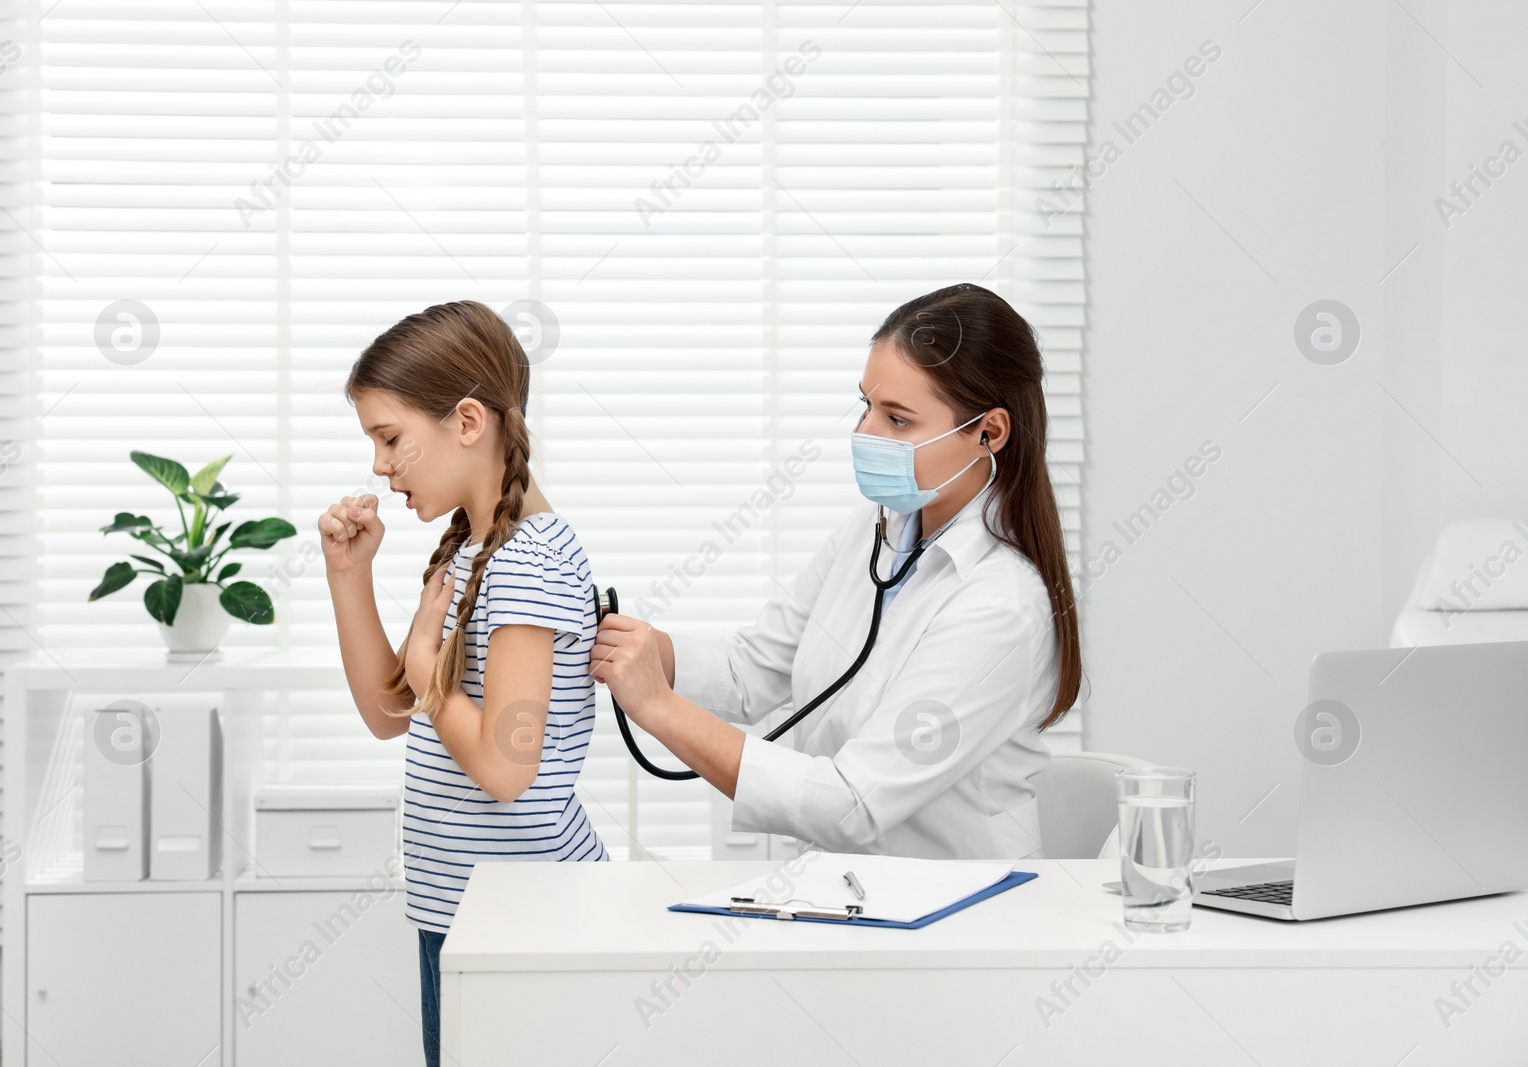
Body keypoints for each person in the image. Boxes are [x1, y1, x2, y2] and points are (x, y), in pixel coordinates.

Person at [592, 282, 1081, 860]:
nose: (865, 433)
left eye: (898, 420)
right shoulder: (872, 536)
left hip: (958, 919)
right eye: (866, 406)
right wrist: (635, 645)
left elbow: (852, 805)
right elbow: (751, 673)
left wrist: (657, 707)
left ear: (988, 432)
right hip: (853, 899)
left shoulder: (1001, 606)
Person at [320, 300, 608, 1067]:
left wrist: (425, 669)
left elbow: (505, 768)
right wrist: (349, 576)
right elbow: (393, 713)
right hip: (459, 904)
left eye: (390, 438)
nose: (380, 465)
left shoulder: (530, 562)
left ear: (469, 422)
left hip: (523, 911)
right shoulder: (471, 549)